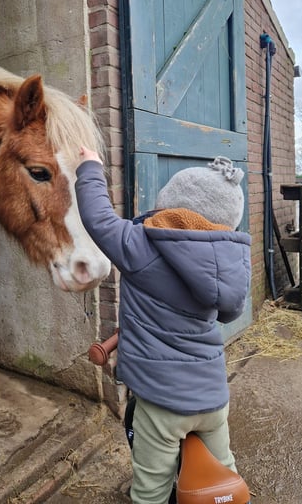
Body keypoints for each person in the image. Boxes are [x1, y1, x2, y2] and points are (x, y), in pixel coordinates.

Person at [75, 147, 251, 504]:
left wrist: (90, 166)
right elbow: (229, 315)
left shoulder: (140, 246)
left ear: (168, 207)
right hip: (213, 399)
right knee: (222, 475)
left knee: (151, 487)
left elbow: (98, 218)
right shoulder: (233, 261)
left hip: (162, 403)